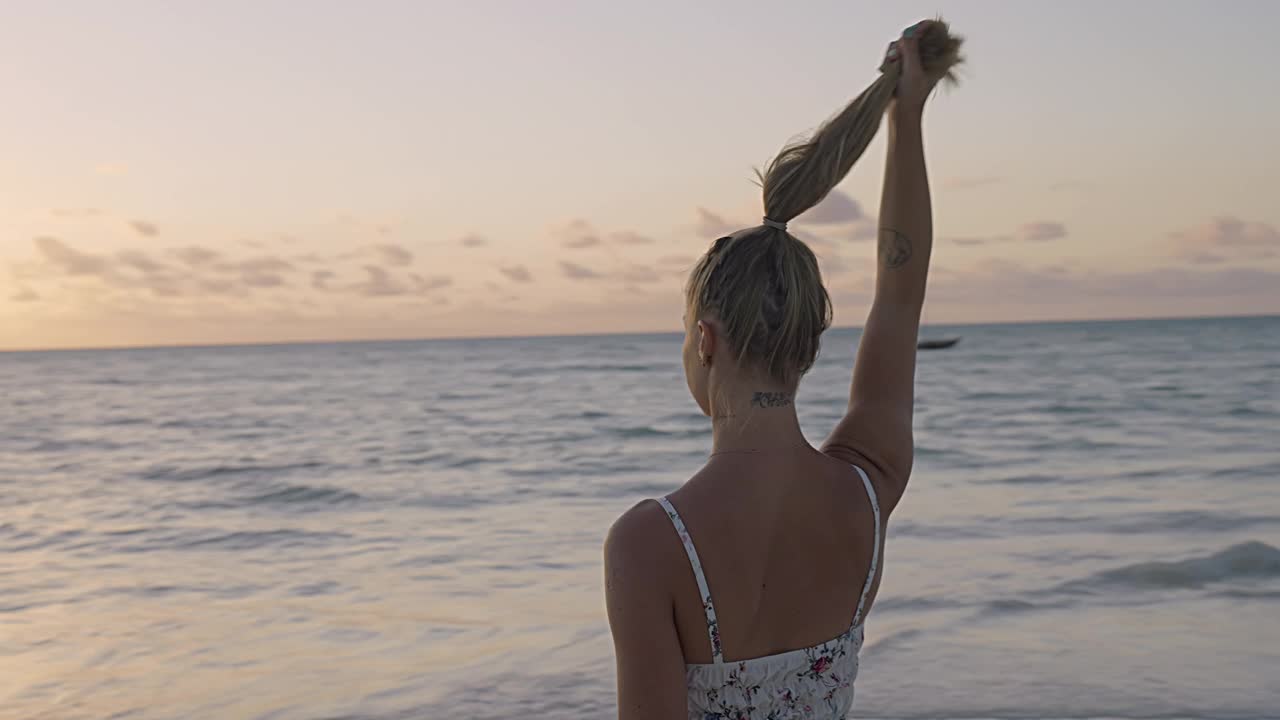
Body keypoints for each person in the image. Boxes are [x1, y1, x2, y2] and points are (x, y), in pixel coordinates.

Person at [604, 20, 957, 719]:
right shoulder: (867, 488)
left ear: (706, 340)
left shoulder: (650, 544)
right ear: (806, 344)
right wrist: (907, 114)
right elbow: (900, 291)